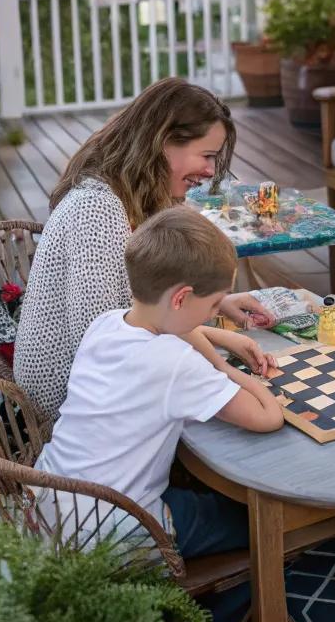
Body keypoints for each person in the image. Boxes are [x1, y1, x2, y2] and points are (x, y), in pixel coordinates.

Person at [15, 77, 276, 425]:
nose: (212, 170)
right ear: (164, 142)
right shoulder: (97, 208)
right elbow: (110, 339)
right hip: (74, 403)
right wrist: (216, 336)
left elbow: (147, 298)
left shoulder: (136, 195)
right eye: (207, 155)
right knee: (230, 410)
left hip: (112, 377)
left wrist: (217, 302)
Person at [36, 206, 285, 558]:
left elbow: (176, 327)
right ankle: (241, 604)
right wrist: (229, 372)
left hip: (51, 503)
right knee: (257, 518)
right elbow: (268, 418)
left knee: (198, 493)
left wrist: (219, 341)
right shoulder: (175, 363)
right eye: (214, 303)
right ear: (181, 297)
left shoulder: (106, 323)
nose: (216, 312)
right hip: (116, 532)